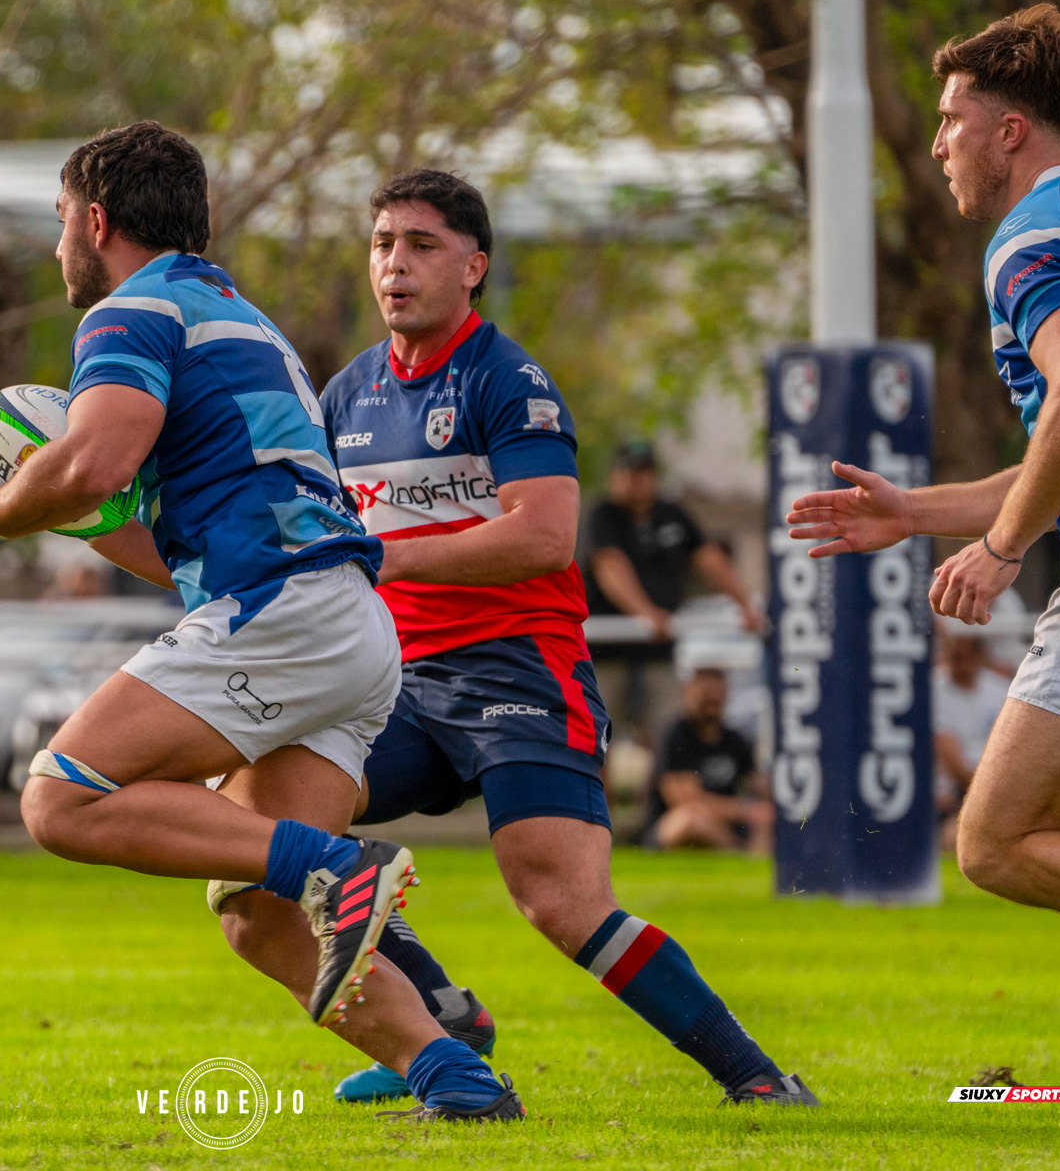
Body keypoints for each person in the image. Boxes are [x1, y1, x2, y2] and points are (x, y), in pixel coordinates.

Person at [0, 124, 520, 1122]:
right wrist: (92, 514)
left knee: (61, 798)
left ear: (97, 221)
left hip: (287, 614)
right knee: (258, 914)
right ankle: (455, 1073)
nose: (57, 250)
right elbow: (152, 516)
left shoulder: (129, 312)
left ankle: (340, 865)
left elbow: (92, 463)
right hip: (349, 625)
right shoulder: (233, 314)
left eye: (59, 225)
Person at [265, 168, 812, 1109]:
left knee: (558, 901)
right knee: (274, 838)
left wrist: (386, 555)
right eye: (384, 244)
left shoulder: (506, 379)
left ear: (473, 266)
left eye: (422, 246)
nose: (395, 264)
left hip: (519, 667)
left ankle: (756, 1079)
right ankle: (446, 1017)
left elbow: (545, 536)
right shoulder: (347, 394)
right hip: (393, 683)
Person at [787, 6, 1060, 937]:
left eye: (951, 120)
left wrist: (1003, 547)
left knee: (997, 842)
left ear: (1008, 132)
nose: (938, 143)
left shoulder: (1031, 238)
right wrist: (914, 512)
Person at [584, 442, 761, 753]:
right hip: (605, 654)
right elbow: (610, 566)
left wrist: (745, 606)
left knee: (667, 740)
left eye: (641, 472)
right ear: (614, 476)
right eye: (627, 472)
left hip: (658, 651)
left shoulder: (672, 514)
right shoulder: (603, 514)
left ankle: (661, 801)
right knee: (597, 745)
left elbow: (709, 559)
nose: (634, 480)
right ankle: (601, 804)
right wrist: (645, 613)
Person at [641, 668, 772, 853]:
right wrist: (745, 810)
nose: (712, 701)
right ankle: (737, 853)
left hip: (727, 824)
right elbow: (684, 800)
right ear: (687, 692)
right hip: (672, 824)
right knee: (691, 820)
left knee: (768, 818)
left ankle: (758, 866)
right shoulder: (675, 735)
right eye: (705, 695)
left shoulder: (736, 740)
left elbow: (760, 785)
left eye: (717, 695)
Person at [933, 629, 1011, 851]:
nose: (957, 662)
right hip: (954, 794)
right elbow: (955, 768)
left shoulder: (999, 688)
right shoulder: (934, 690)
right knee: (957, 839)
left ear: (978, 655)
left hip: (993, 784)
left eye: (963, 655)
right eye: (953, 655)